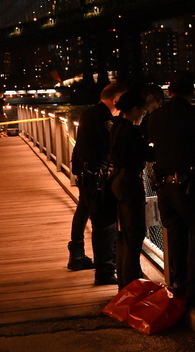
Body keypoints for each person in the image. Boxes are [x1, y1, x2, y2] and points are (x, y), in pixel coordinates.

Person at [148, 71, 195, 306]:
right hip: (188, 185)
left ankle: (178, 284)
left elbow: (149, 144)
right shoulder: (193, 114)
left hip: (163, 186)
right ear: (191, 91)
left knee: (177, 234)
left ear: (169, 91)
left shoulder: (155, 116)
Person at [69, 82, 128, 285]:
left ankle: (76, 255)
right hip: (97, 176)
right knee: (103, 223)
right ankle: (105, 270)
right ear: (116, 100)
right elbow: (113, 142)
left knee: (83, 210)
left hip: (84, 172)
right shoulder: (103, 117)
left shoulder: (89, 112)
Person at [109, 86, 163, 290]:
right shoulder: (130, 130)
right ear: (132, 109)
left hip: (117, 181)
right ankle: (131, 283)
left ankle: (125, 280)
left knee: (124, 234)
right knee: (134, 234)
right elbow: (147, 155)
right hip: (129, 183)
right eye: (141, 110)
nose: (143, 113)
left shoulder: (117, 126)